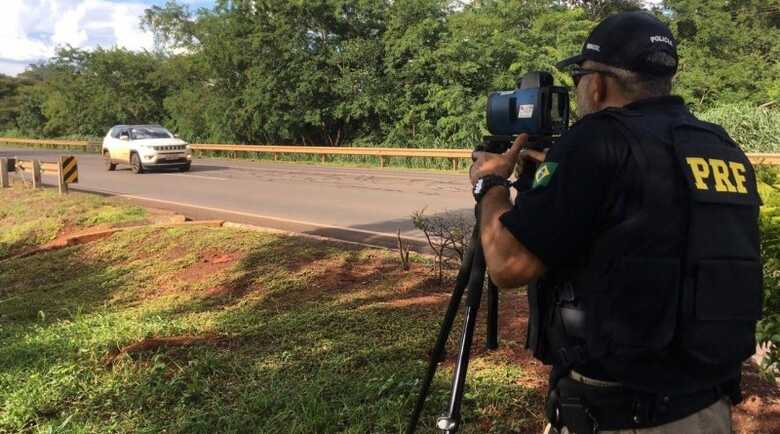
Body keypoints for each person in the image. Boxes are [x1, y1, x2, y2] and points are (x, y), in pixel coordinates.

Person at [469, 11, 762, 434]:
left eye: (578, 78)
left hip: (619, 416)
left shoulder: (597, 140)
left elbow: (507, 265)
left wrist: (491, 183)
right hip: (707, 409)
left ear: (599, 82)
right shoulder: (721, 147)